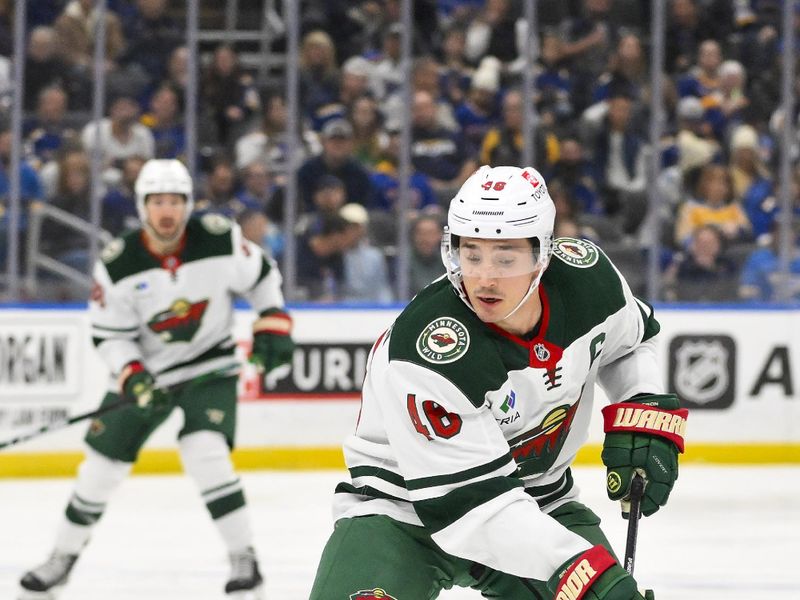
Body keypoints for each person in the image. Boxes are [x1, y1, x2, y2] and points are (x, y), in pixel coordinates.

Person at [309, 165, 687, 599]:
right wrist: (588, 576)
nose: (484, 278)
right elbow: (475, 509)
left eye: (505, 258)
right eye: (472, 255)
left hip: (540, 504)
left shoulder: (589, 280)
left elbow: (631, 342)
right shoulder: (428, 349)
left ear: (542, 254)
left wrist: (642, 408)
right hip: (402, 514)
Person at [19, 159, 295, 598]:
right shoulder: (118, 264)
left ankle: (244, 559)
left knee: (205, 452)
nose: (166, 211)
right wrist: (133, 377)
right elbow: (110, 334)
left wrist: (272, 322)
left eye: (175, 201)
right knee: (99, 471)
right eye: (157, 202)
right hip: (149, 375)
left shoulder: (220, 240)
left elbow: (262, 276)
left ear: (188, 204)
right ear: (142, 206)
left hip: (210, 368)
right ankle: (62, 559)